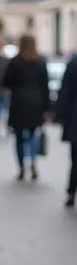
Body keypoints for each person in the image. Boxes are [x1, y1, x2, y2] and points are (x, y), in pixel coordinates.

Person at [3, 35, 50, 181]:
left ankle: (22, 167)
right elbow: (45, 86)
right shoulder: (40, 61)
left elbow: (6, 81)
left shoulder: (16, 62)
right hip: (36, 103)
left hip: (19, 102)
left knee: (18, 137)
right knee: (32, 135)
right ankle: (33, 162)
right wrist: (46, 107)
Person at [56, 53, 77, 207]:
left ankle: (71, 191)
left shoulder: (74, 63)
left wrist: (61, 116)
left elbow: (65, 91)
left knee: (75, 160)